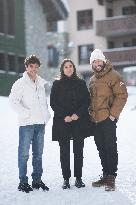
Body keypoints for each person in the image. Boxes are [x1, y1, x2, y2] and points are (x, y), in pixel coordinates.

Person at [9, 55, 51, 193]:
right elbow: (13, 101)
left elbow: (43, 102)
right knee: (24, 154)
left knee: (38, 155)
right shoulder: (20, 83)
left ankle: (37, 180)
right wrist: (25, 113)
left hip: (40, 124)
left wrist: (46, 116)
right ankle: (23, 182)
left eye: (36, 67)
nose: (34, 69)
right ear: (26, 67)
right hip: (26, 124)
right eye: (31, 66)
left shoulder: (40, 83)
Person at [50, 59, 93, 189]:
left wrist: (77, 114)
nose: (68, 69)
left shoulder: (80, 83)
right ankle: (66, 179)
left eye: (70, 66)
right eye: (66, 67)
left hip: (78, 121)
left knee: (78, 151)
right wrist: (65, 116)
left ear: (73, 68)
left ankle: (79, 178)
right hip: (62, 122)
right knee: (64, 152)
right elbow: (53, 103)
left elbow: (86, 101)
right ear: (62, 70)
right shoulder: (56, 84)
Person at [89, 49, 128, 191]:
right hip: (96, 121)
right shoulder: (92, 79)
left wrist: (113, 115)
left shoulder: (114, 75)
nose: (97, 63)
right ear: (92, 64)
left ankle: (111, 177)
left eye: (99, 60)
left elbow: (122, 95)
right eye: (94, 61)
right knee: (101, 148)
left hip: (108, 119)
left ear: (103, 61)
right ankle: (105, 174)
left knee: (110, 147)